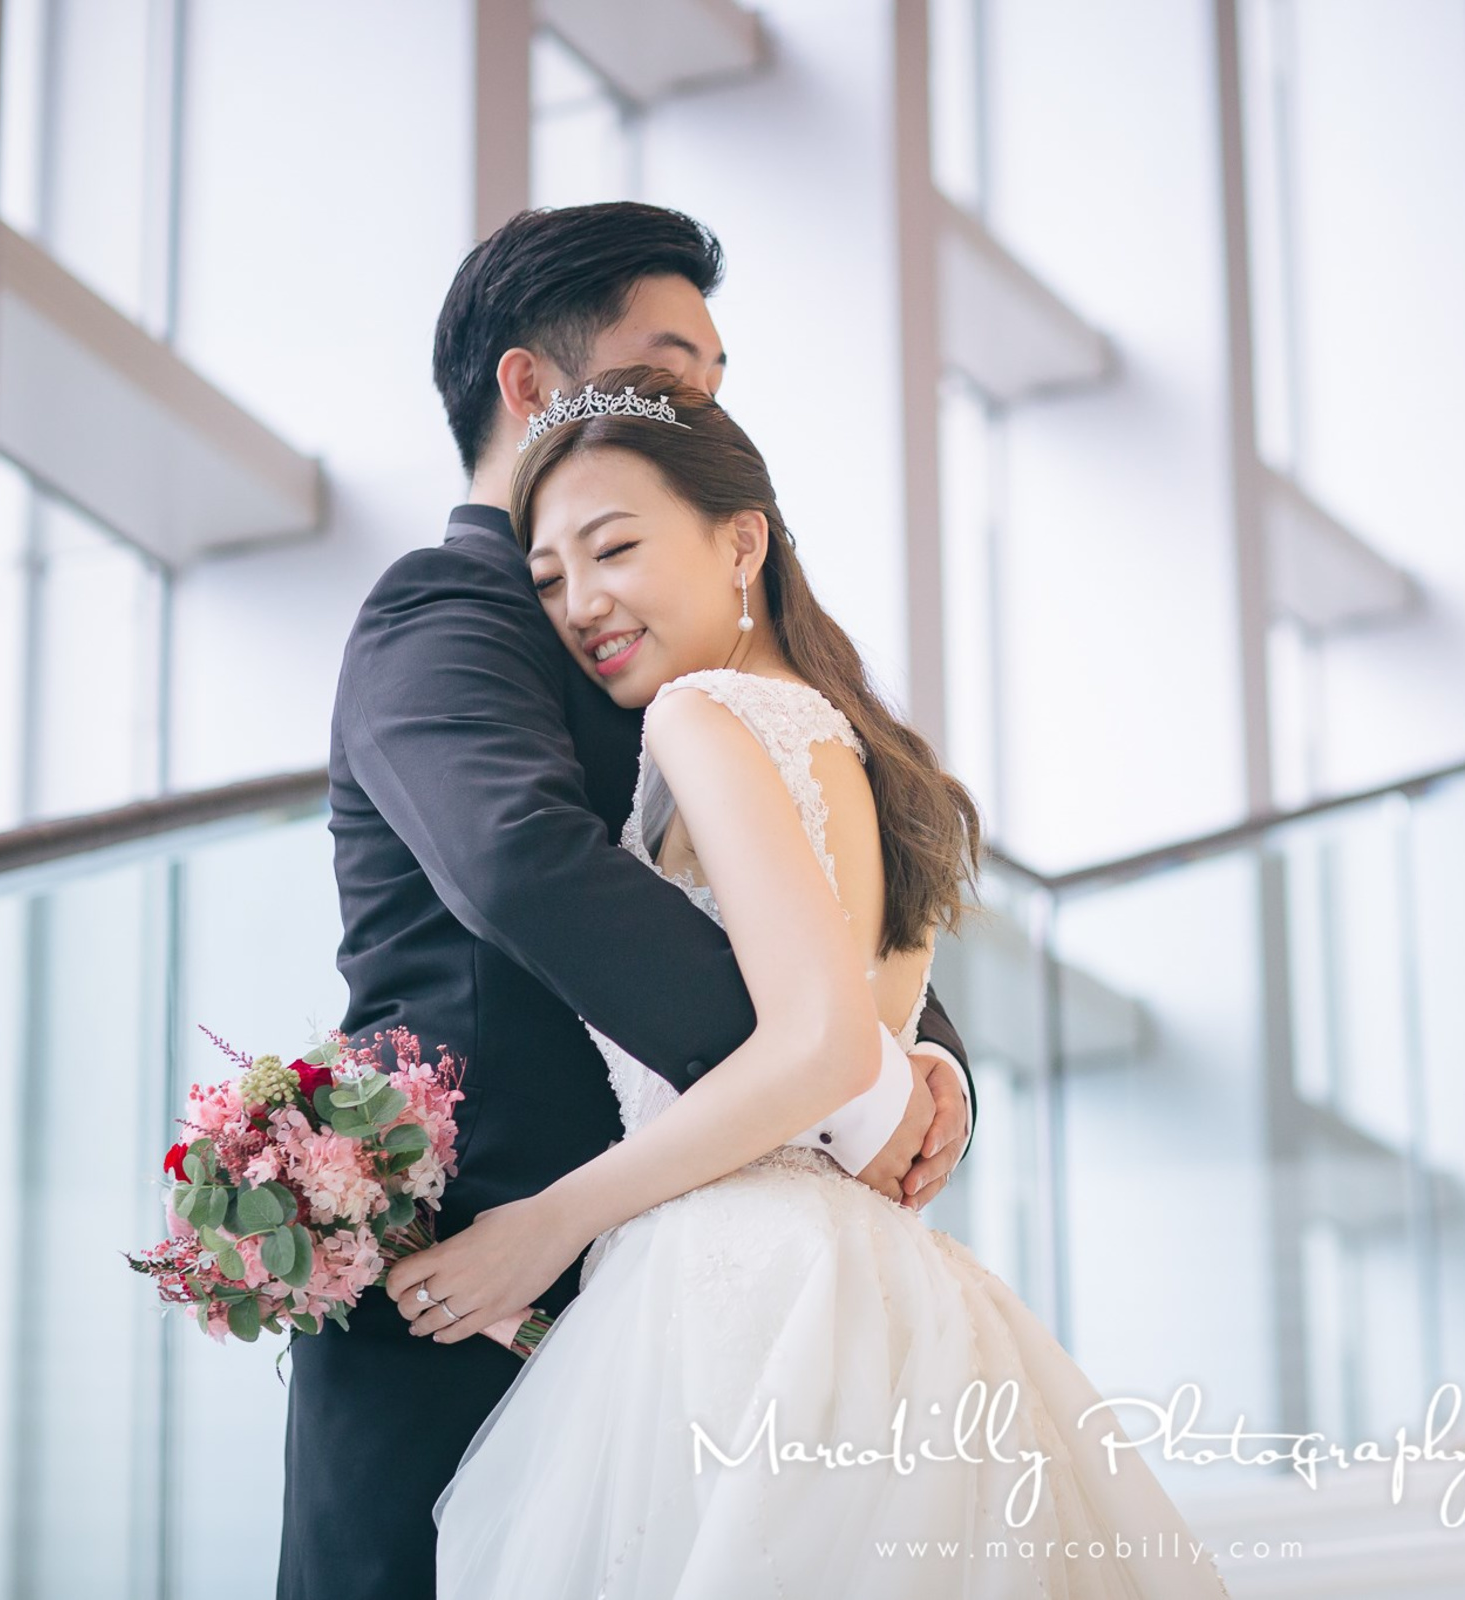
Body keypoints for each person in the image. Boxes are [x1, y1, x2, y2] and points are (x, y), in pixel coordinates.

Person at [395, 366, 1231, 1597]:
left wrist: (547, 1223)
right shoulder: (856, 744)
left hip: (743, 1278)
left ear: (742, 542)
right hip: (867, 1272)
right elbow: (870, 1039)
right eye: (551, 577)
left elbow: (823, 1049)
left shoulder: (698, 715)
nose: (581, 604)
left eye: (613, 548)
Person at [283, 203, 977, 1600]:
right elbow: (517, 861)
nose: (704, 405)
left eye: (714, 383)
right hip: (473, 1295)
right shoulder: (444, 608)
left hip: (685, 1288)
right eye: (672, 372)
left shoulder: (701, 664)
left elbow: (816, 883)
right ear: (534, 387)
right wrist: (842, 1076)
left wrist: (927, 1062)